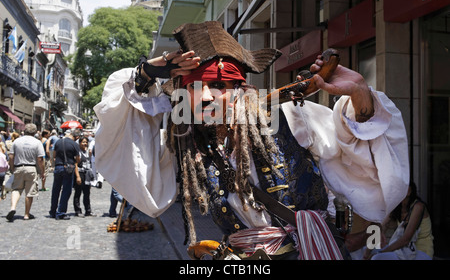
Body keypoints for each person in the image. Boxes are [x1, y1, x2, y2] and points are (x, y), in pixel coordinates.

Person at [93, 21, 409, 259]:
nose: (205, 96)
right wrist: (148, 71)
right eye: (192, 86)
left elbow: (360, 150)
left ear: (243, 89)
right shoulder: (184, 145)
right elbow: (124, 136)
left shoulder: (292, 119)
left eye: (218, 84)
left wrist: (360, 95)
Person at [367, 182, 434, 260]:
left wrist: (381, 252)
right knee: (370, 253)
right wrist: (366, 253)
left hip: (421, 251)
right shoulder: (397, 207)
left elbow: (406, 240)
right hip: (403, 251)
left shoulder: (418, 206)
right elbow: (380, 229)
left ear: (409, 191)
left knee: (377, 257)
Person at [6, 123, 45, 221]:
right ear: (35, 132)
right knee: (29, 192)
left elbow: (11, 156)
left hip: (18, 167)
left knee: (16, 189)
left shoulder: (17, 141)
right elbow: (40, 159)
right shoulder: (37, 142)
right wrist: (42, 172)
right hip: (31, 168)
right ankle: (26, 214)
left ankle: (13, 207)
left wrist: (12, 167)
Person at [49, 129, 82, 220]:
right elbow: (78, 159)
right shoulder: (74, 144)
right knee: (66, 191)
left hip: (58, 167)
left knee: (56, 190)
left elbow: (54, 155)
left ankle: (52, 211)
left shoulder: (58, 142)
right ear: (77, 137)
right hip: (68, 168)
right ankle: (61, 212)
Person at [73, 136, 95, 217]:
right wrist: (78, 176)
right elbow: (75, 164)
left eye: (86, 142)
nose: (85, 144)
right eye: (83, 142)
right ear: (79, 143)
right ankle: (78, 210)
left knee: (87, 193)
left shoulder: (87, 151)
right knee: (78, 193)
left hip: (87, 174)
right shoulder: (78, 152)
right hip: (80, 173)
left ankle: (88, 211)